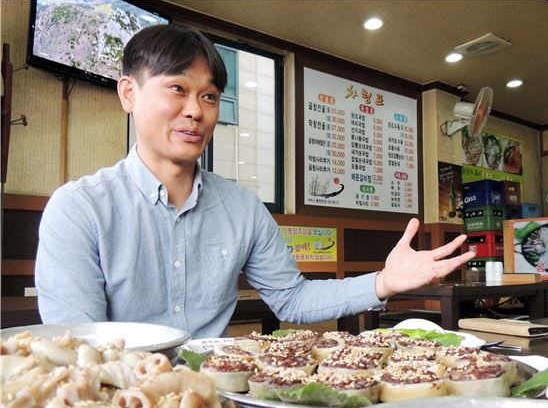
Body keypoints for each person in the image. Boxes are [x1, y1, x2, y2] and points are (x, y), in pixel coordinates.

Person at [36, 24, 474, 338]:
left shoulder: (242, 208)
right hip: (121, 404)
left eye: (209, 96)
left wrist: (383, 283)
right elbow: (77, 343)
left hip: (220, 399)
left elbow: (293, 300)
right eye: (177, 89)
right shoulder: (79, 209)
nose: (195, 110)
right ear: (129, 93)